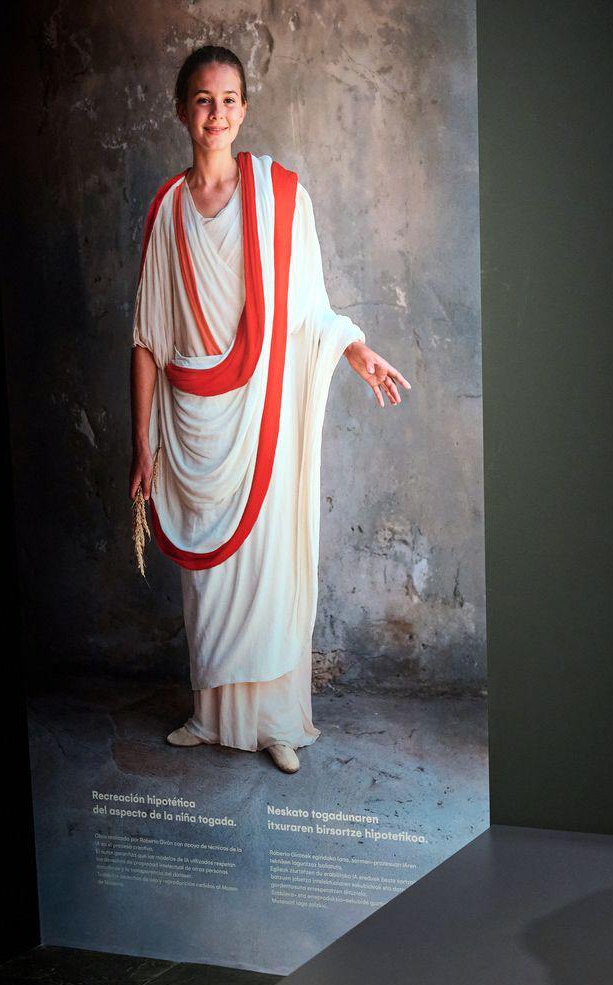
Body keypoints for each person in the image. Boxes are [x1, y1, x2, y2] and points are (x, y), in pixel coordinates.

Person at [128, 45, 411, 774]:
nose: (216, 113)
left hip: (266, 415)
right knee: (212, 584)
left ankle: (278, 722)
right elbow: (148, 339)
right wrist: (141, 442)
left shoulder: (282, 198)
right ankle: (212, 717)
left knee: (268, 566)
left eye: (228, 100)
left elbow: (310, 307)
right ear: (182, 111)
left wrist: (354, 348)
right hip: (194, 424)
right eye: (202, 100)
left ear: (245, 109)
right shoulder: (167, 211)